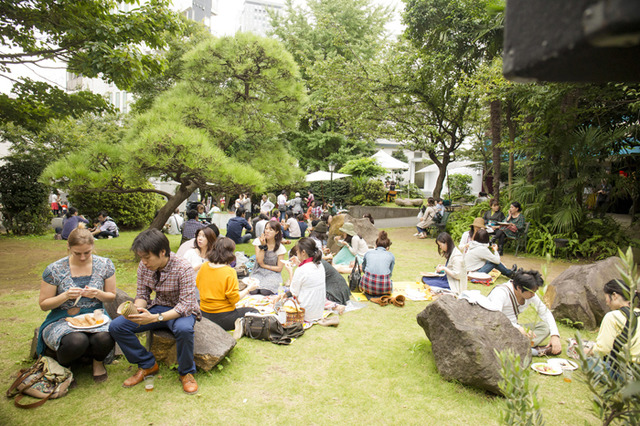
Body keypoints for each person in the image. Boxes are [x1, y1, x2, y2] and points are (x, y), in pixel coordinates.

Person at [109, 229, 200, 394]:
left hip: (181, 310)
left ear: (162, 252)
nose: (143, 262)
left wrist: (154, 318)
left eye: (147, 257)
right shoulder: (144, 267)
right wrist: (136, 310)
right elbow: (142, 294)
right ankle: (147, 364)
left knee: (184, 329)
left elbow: (185, 305)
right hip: (159, 305)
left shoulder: (183, 267)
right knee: (117, 326)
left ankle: (186, 372)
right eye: (141, 257)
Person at [37, 228, 116, 382]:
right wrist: (65, 295)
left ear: (93, 246)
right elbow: (44, 304)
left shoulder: (105, 265)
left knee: (106, 336)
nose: (82, 257)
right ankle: (65, 366)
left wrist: (97, 293)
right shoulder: (54, 270)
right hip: (63, 318)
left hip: (96, 316)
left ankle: (98, 363)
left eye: (87, 252)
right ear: (69, 248)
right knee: (77, 341)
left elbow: (111, 296)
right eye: (77, 253)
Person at [486, 269, 561, 356]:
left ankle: (518, 348)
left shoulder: (530, 293)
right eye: (531, 292)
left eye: (535, 291)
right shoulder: (500, 293)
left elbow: (545, 312)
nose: (534, 295)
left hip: (515, 330)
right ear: (519, 288)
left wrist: (555, 335)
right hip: (497, 329)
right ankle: (533, 351)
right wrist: (518, 328)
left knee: (545, 327)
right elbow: (495, 317)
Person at [196, 238, 259, 330]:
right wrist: (248, 289)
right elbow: (234, 299)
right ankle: (241, 326)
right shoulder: (229, 271)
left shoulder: (204, 266)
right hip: (223, 317)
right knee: (254, 311)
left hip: (204, 313)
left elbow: (198, 284)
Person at [584, 279, 640, 378]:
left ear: (614, 295)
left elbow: (603, 350)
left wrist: (586, 351)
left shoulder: (613, 316)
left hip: (631, 374)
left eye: (606, 297)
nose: (606, 302)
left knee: (588, 362)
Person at [283, 238, 326, 323]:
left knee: (282, 302)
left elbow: (293, 292)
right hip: (318, 312)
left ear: (303, 252)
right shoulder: (320, 264)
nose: (296, 254)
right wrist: (299, 264)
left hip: (305, 313)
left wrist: (291, 272)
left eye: (297, 252)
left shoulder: (301, 270)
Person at [250, 221, 286, 295]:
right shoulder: (258, 241)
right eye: (266, 229)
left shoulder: (280, 248)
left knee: (265, 291)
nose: (267, 231)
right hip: (258, 271)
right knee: (253, 290)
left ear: (276, 232)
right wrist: (263, 246)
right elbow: (259, 261)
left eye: (271, 230)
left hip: (273, 273)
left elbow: (279, 268)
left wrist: (265, 266)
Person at [360, 231, 395, 299]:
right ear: (387, 248)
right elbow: (390, 274)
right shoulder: (391, 256)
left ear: (375, 246)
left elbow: (364, 269)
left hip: (366, 286)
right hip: (385, 289)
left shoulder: (368, 253)